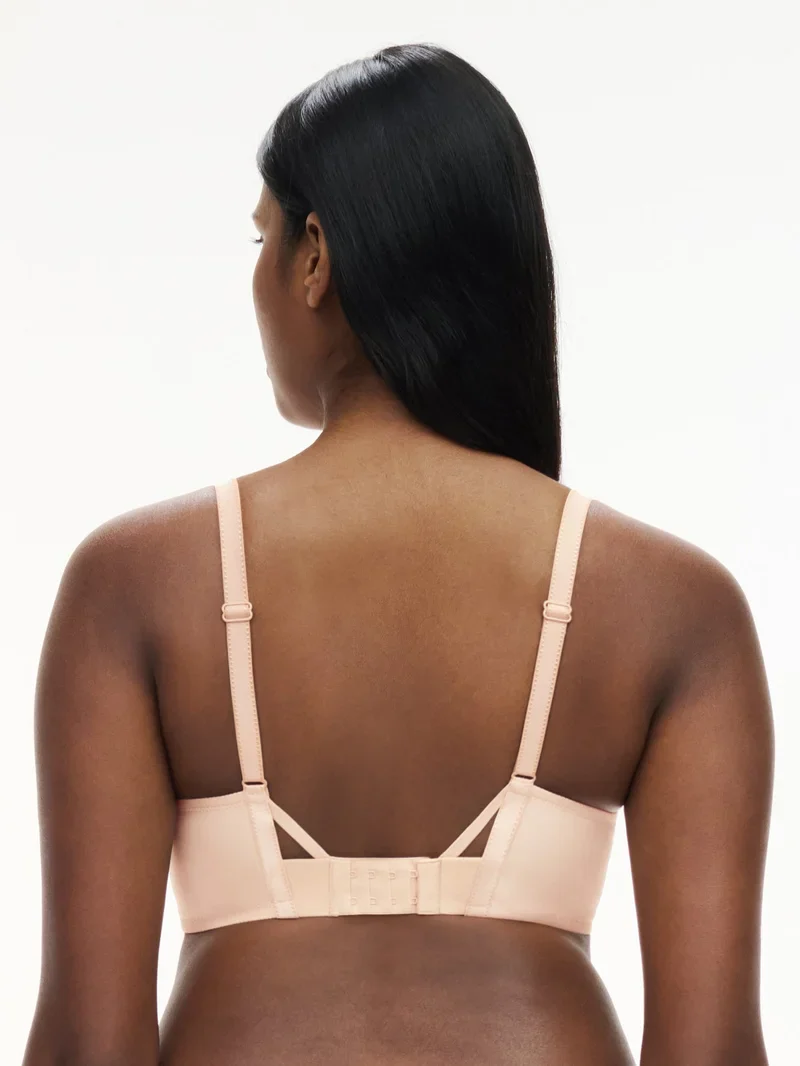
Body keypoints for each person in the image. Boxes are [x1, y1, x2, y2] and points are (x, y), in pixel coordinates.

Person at [22, 42, 772, 1066]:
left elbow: (85, 1048)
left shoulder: (138, 584)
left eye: (262, 237)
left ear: (315, 257)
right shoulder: (670, 605)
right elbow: (712, 1052)